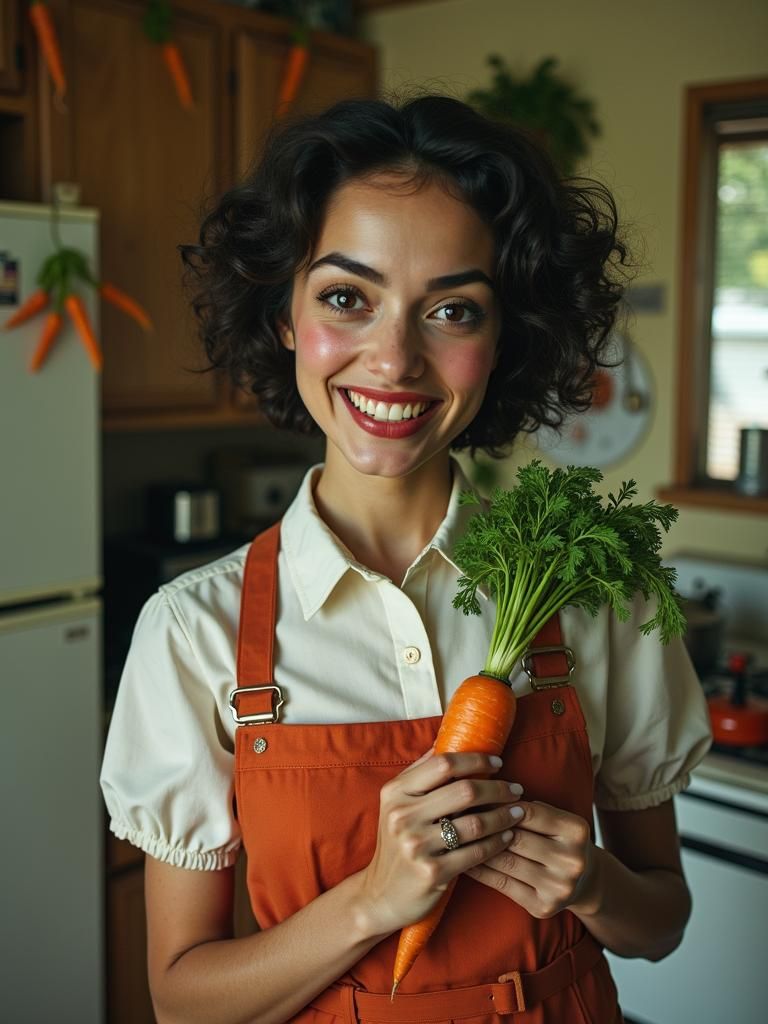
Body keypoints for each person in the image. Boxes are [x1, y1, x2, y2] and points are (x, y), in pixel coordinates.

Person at [100, 92, 713, 1024]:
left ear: (504, 340)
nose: (393, 360)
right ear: (283, 318)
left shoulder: (597, 596)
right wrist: (375, 901)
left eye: (453, 311)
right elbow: (182, 1002)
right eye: (347, 298)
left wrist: (590, 882)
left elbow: (660, 921)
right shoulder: (195, 632)